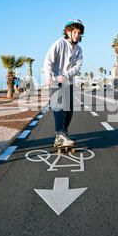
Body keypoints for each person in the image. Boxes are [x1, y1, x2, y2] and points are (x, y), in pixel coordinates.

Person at [43, 19, 84, 148]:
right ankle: (59, 135)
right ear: (68, 32)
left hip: (68, 82)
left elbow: (77, 66)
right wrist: (49, 76)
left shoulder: (78, 49)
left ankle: (64, 133)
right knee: (59, 108)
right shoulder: (60, 43)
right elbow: (48, 60)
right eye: (75, 32)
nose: (77, 35)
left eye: (79, 32)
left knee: (69, 109)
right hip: (56, 81)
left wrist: (65, 76)